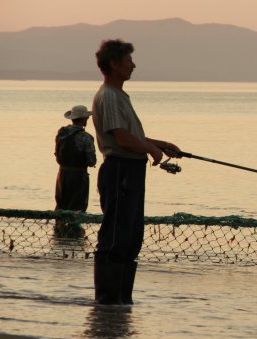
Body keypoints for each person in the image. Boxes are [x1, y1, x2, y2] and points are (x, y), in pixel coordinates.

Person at [91, 39, 182, 305]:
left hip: (131, 170)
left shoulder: (119, 95)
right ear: (114, 65)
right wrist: (151, 151)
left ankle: (121, 303)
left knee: (131, 237)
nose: (133, 65)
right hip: (119, 170)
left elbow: (132, 135)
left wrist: (158, 144)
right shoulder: (108, 95)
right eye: (128, 60)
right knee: (116, 237)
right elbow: (121, 138)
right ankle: (107, 302)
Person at [54, 105, 97, 211]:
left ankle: (60, 227)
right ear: (84, 119)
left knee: (61, 206)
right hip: (78, 176)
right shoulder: (86, 137)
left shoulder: (61, 133)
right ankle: (73, 228)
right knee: (77, 207)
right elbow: (92, 161)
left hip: (62, 174)